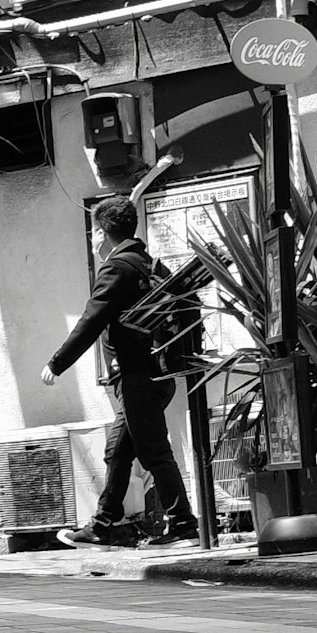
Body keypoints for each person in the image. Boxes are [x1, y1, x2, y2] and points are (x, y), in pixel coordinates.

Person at [46, 195, 197, 546]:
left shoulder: (117, 268)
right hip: (158, 377)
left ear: (103, 233)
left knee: (154, 451)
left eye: (93, 232)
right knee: (118, 450)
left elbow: (92, 319)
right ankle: (102, 524)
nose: (92, 239)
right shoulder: (153, 266)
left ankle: (184, 525)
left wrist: (57, 363)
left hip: (136, 379)